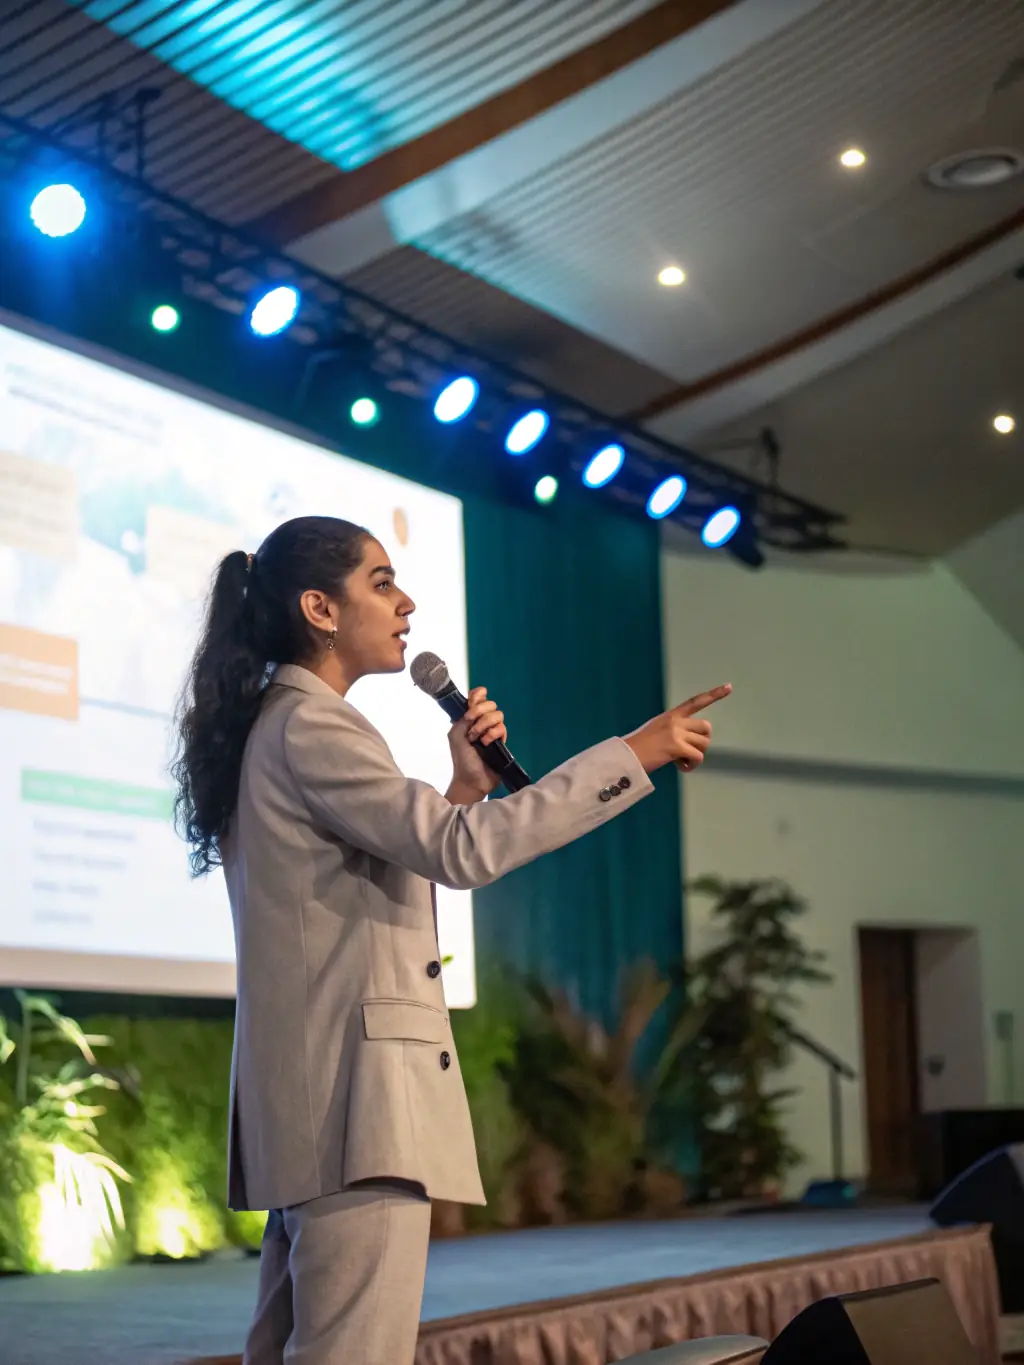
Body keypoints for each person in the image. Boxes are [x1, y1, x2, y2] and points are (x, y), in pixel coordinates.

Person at [172, 514, 730, 1365]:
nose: (409, 603)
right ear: (320, 607)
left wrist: (465, 787)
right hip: (354, 1110)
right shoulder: (313, 726)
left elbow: (393, 865)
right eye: (383, 582)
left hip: (321, 1108)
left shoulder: (278, 725)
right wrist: (635, 752)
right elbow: (461, 854)